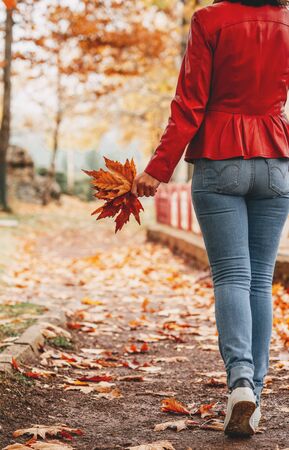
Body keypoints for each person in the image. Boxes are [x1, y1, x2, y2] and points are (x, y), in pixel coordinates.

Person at [131, 0, 289, 438]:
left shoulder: (210, 19)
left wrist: (157, 169)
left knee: (233, 278)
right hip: (277, 160)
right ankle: (253, 394)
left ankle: (240, 379)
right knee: (259, 280)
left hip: (221, 159)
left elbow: (189, 104)